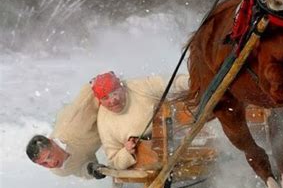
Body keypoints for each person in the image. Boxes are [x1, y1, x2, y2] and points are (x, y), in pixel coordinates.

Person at [26, 72, 189, 179]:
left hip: (170, 125)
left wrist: (193, 81)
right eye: (43, 164)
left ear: (53, 143)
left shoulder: (73, 124)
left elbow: (84, 102)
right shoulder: (60, 170)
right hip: (130, 139)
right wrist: (91, 169)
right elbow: (82, 167)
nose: (50, 164)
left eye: (48, 158)